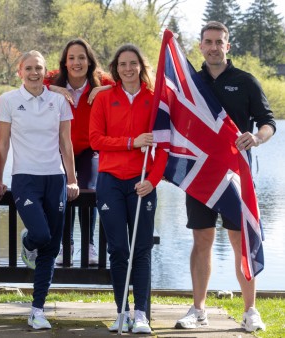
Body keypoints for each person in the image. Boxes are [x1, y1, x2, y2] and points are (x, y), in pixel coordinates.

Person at [174, 21, 275, 333]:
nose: (214, 47)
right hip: (200, 174)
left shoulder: (245, 81)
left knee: (239, 239)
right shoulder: (189, 82)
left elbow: (268, 123)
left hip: (236, 174)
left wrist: (257, 138)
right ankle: (199, 309)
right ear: (200, 46)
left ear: (228, 46)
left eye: (219, 42)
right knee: (202, 238)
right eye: (208, 42)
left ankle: (250, 311)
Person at [0, 50, 79, 330]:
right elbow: (3, 143)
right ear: (20, 71)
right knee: (41, 235)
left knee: (51, 248)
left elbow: (66, 143)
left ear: (46, 72)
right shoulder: (8, 100)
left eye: (39, 68)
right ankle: (27, 241)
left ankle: (37, 309)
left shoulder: (59, 101)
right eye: (29, 68)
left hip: (54, 178)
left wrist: (72, 179)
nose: (34, 73)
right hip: (25, 179)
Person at [89, 44, 168, 334]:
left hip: (142, 182)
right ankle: (122, 312)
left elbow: (164, 148)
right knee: (119, 249)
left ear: (141, 66)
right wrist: (131, 142)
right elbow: (96, 139)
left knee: (142, 249)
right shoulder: (105, 98)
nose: (128, 69)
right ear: (115, 68)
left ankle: (142, 314)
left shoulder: (156, 100)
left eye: (133, 63)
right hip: (110, 181)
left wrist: (153, 181)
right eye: (122, 64)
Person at [44, 38, 114, 266]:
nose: (76, 62)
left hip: (89, 149)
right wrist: (53, 88)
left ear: (89, 61)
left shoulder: (101, 81)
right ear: (65, 62)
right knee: (63, 191)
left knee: (87, 189)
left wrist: (101, 89)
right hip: (60, 149)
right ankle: (66, 245)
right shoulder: (53, 79)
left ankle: (89, 244)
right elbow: (28, 80)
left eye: (81, 57)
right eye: (72, 58)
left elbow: (129, 83)